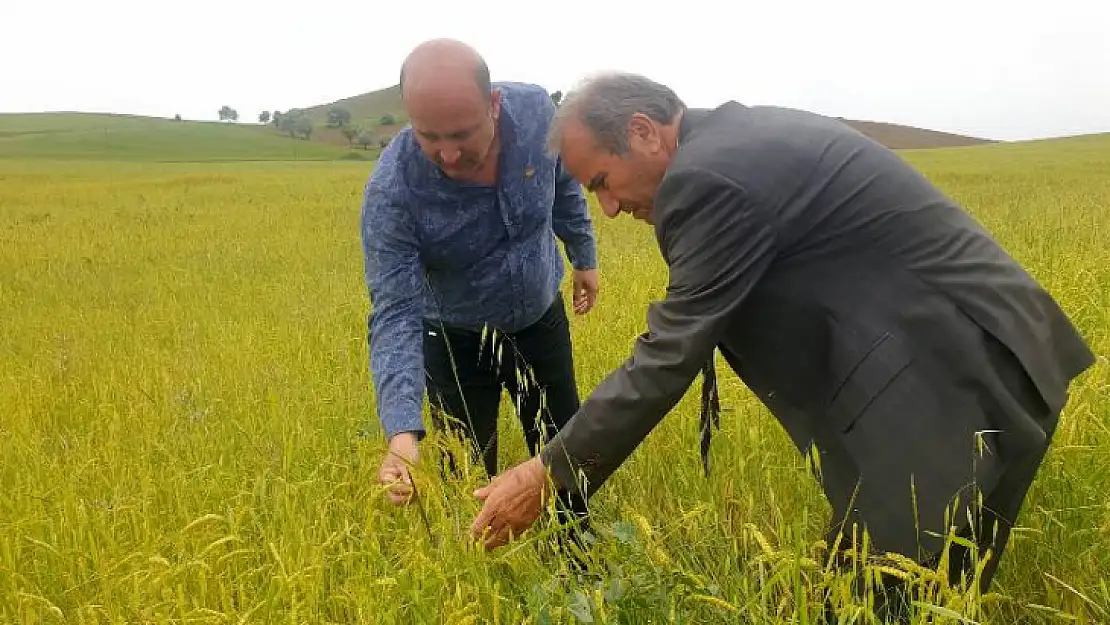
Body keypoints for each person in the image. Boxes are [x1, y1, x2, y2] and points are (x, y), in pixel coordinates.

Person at [469, 71, 1096, 615]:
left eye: (602, 180)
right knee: (933, 600)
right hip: (992, 359)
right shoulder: (737, 140)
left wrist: (546, 473)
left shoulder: (705, 178)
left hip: (954, 383)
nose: (605, 208)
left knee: (877, 602)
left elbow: (668, 354)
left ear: (643, 131)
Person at [360, 40, 599, 546]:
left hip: (539, 315)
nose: (447, 152)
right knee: (464, 470)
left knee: (562, 446)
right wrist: (402, 432)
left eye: (462, 134)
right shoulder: (393, 193)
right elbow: (395, 312)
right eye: (429, 136)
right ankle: (480, 575)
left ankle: (576, 553)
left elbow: (563, 182)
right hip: (455, 338)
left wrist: (583, 254)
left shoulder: (535, 113)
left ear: (493, 105)